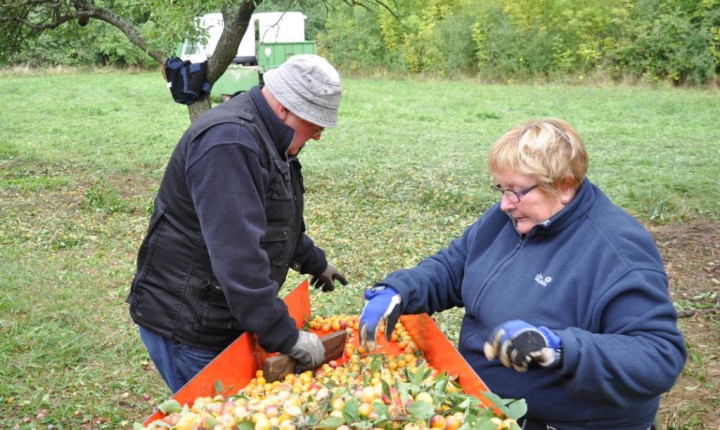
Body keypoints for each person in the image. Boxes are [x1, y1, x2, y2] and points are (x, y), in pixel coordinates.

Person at [359, 118, 686, 430]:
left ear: (564, 187)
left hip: (564, 422)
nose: (504, 203)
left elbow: (659, 356)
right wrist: (399, 290)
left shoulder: (615, 249)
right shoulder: (511, 217)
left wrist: (557, 349)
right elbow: (454, 266)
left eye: (515, 191)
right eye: (501, 188)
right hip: (484, 399)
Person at [127, 54, 348, 393]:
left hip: (221, 312)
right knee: (215, 414)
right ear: (285, 108)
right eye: (315, 126)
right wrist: (287, 337)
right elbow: (238, 258)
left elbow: (273, 221)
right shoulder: (229, 143)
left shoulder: (273, 140)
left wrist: (315, 262)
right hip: (191, 323)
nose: (317, 136)